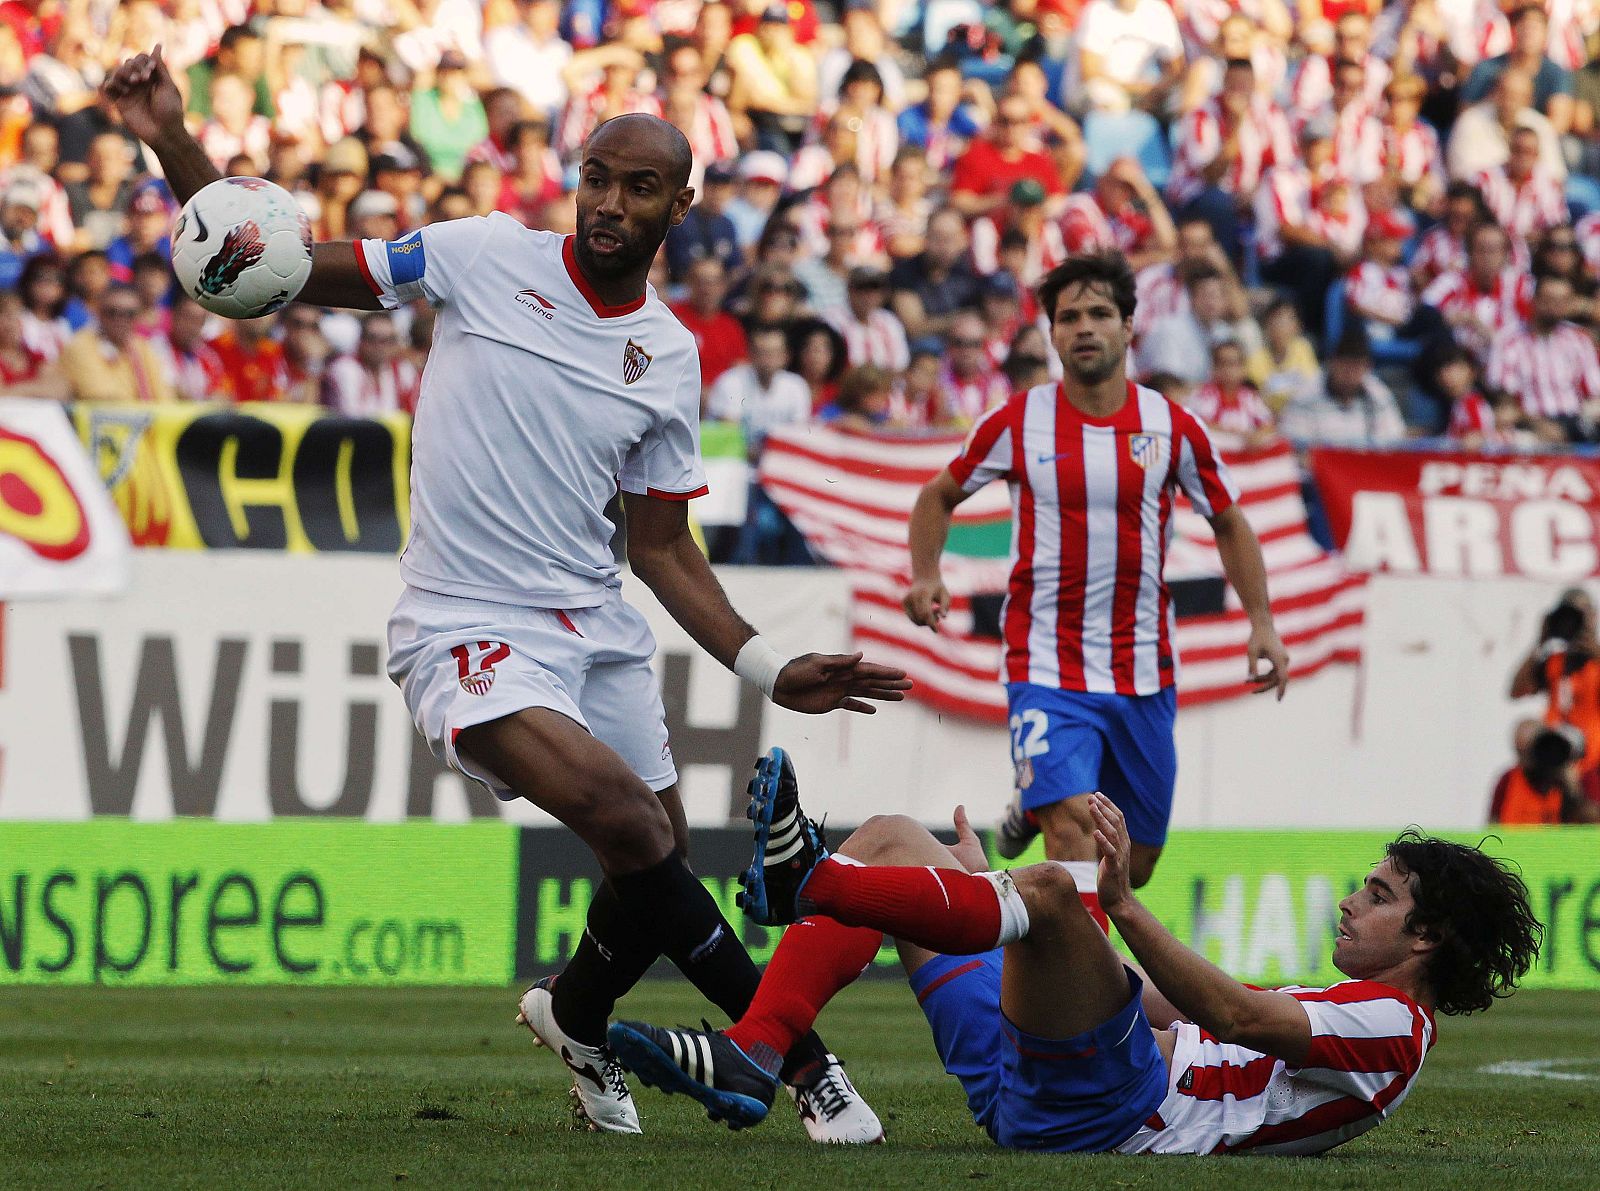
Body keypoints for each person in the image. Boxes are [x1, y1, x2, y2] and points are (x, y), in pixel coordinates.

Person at [105, 47, 910, 1143]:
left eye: (638, 186)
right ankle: (801, 1066)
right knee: (630, 824)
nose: (609, 203)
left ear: (683, 202)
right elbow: (277, 264)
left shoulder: (668, 356)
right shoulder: (482, 255)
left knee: (654, 858)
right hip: (465, 621)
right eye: (595, 176)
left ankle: (575, 1020)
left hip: (596, 623)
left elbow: (664, 548)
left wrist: (768, 665)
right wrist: (169, 136)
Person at [606, 749, 1542, 1157]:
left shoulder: (1393, 1026)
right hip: (1053, 1080)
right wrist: (979, 905)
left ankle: (805, 884)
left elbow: (1233, 1016)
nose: (1351, 899)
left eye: (1377, 895)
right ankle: (758, 1047)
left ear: (1428, 937)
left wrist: (1112, 906)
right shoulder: (1353, 1006)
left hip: (1112, 1109)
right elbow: (1167, 1008)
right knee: (897, 836)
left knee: (1058, 886)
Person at [901, 252, 1289, 902]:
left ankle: (1033, 799)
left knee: (1130, 864)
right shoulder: (1019, 421)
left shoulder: (1172, 425)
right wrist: (925, 574)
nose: (1084, 327)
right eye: (1069, 316)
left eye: (1100, 313)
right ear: (1052, 334)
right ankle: (1082, 1003)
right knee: (1076, 837)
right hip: (1046, 663)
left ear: (1129, 325)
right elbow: (938, 495)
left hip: (1143, 668)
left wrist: (1262, 624)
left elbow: (1229, 521)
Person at [60, 284, 175, 402]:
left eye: (130, 314)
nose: (120, 319)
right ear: (98, 313)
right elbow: (99, 395)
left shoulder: (143, 347)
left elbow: (164, 397)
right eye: (112, 312)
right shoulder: (80, 345)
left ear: (139, 316)